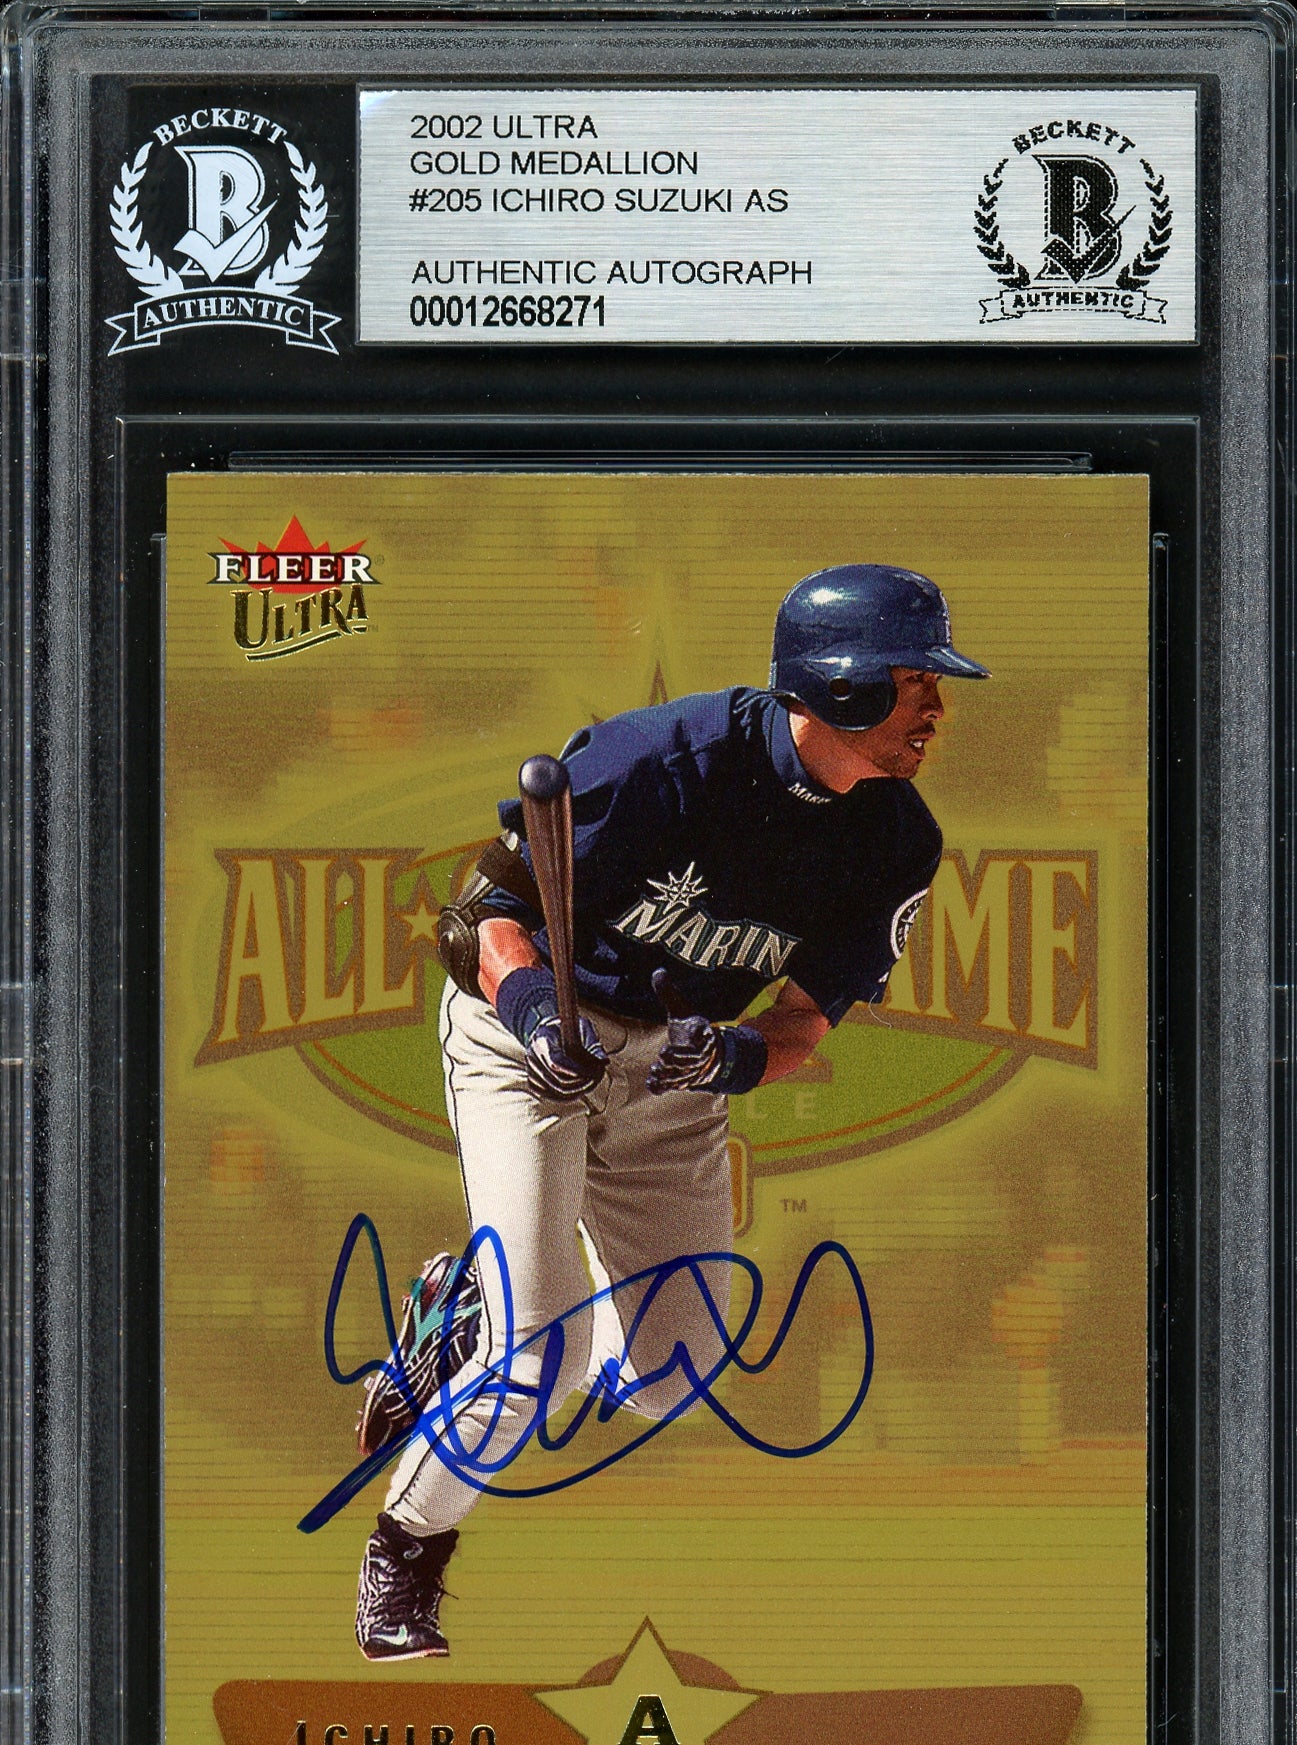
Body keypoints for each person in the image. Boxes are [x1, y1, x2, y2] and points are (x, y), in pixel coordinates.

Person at [352, 563, 990, 1659]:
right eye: (913, 678)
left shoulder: (896, 839)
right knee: (534, 1363)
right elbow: (483, 919)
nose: (935, 705)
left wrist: (733, 1057)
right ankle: (406, 1548)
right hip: (527, 1038)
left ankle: (458, 1320)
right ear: (838, 685)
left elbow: (804, 1022)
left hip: (673, 1075)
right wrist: (538, 1013)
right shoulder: (660, 758)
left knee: (671, 1376)